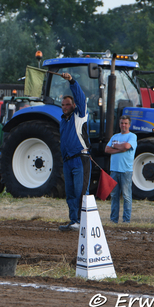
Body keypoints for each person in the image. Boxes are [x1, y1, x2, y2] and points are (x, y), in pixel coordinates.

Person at [58, 72, 91, 232]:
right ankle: (74, 221)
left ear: (74, 105)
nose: (65, 107)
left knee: (80, 192)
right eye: (63, 105)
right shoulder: (62, 121)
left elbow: (80, 96)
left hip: (80, 159)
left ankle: (84, 221)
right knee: (70, 193)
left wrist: (71, 80)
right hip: (67, 161)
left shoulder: (80, 115)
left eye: (68, 104)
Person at [105, 115, 137, 223]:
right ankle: (114, 219)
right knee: (114, 196)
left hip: (126, 171)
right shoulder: (114, 136)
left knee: (126, 196)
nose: (123, 125)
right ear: (119, 124)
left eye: (125, 123)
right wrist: (120, 148)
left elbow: (127, 147)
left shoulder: (132, 136)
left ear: (129, 124)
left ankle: (126, 220)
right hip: (114, 170)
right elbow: (107, 149)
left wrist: (115, 146)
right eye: (122, 123)